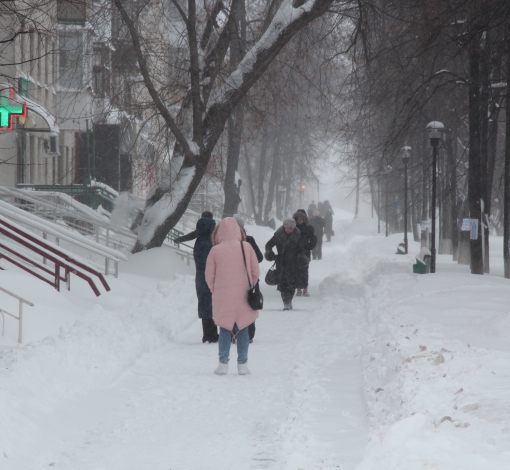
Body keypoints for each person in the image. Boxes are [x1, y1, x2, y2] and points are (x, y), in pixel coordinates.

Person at [205, 217, 260, 375]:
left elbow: (209, 276)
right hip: (243, 294)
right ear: (238, 231)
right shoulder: (247, 247)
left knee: (224, 328)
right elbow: (256, 272)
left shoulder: (215, 250)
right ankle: (242, 364)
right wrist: (249, 285)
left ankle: (223, 363)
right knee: (243, 327)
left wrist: (217, 289)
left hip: (223, 295)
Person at [185, 216, 218, 343]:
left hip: (200, 277)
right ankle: (212, 335)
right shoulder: (210, 242)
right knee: (212, 304)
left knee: (204, 304)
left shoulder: (199, 241)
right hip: (210, 276)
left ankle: (207, 334)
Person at [265, 217, 306, 311]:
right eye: (287, 228)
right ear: (284, 227)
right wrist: (269, 253)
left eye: (291, 228)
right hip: (281, 262)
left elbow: (302, 249)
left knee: (291, 283)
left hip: (294, 263)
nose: (289, 230)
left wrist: (301, 257)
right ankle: (286, 302)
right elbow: (269, 245)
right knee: (283, 283)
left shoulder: (298, 235)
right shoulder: (278, 235)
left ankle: (289, 300)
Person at [235, 217, 263, 343]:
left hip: (239, 279)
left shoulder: (248, 240)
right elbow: (259, 257)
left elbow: (259, 257)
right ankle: (246, 334)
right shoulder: (248, 240)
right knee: (248, 305)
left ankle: (241, 333)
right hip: (248, 279)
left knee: (241, 306)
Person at [293, 210, 316, 297]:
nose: (300, 220)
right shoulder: (293, 228)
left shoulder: (309, 228)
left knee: (305, 270)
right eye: (298, 219)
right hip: (294, 252)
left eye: (301, 219)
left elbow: (313, 239)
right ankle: (298, 289)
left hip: (305, 252)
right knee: (296, 271)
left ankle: (305, 289)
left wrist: (309, 246)